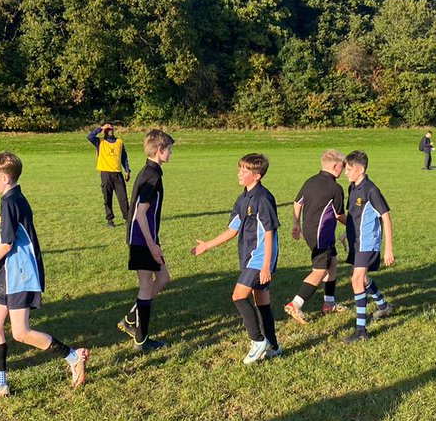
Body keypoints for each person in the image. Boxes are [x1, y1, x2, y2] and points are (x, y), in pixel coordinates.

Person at [0, 152, 88, 400]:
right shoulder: (12, 198)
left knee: (20, 332)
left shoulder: (10, 202)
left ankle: (74, 357)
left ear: (6, 177)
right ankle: (0, 386)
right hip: (8, 272)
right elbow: (11, 242)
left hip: (21, 274)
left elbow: (7, 245)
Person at [192, 153, 280, 364]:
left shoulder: (263, 198)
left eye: (245, 170)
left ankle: (258, 341)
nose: (239, 173)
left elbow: (269, 233)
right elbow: (233, 230)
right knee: (262, 302)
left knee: (238, 296)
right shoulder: (243, 198)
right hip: (249, 256)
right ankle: (274, 346)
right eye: (240, 168)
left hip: (260, 257)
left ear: (257, 176)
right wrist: (207, 245)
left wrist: (266, 265)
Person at [118, 129, 175, 351]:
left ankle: (131, 319)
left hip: (147, 237)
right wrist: (152, 246)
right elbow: (140, 214)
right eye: (169, 149)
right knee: (146, 286)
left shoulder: (150, 172)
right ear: (160, 151)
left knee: (163, 278)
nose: (170, 153)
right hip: (142, 239)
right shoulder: (151, 175)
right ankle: (141, 340)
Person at [284, 150, 347, 325]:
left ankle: (329, 303)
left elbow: (297, 202)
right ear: (335, 166)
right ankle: (296, 304)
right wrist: (356, 224)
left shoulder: (310, 181)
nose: (343, 170)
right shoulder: (335, 188)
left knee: (332, 262)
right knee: (320, 270)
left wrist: (296, 223)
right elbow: (339, 215)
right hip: (322, 234)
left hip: (311, 231)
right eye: (342, 167)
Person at [343, 151, 395, 341]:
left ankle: (361, 331)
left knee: (356, 280)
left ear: (361, 169)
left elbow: (386, 218)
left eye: (349, 169)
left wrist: (388, 248)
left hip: (368, 242)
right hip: (356, 241)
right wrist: (345, 233)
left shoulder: (371, 190)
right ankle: (383, 306)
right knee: (363, 279)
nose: (346, 173)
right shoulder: (352, 188)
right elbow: (355, 215)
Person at [87, 123, 130, 227]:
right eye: (108, 129)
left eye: (111, 129)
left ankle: (128, 218)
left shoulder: (119, 142)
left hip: (117, 173)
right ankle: (110, 220)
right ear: (105, 131)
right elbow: (90, 136)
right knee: (107, 197)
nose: (110, 131)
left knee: (123, 197)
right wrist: (101, 128)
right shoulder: (99, 142)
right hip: (105, 173)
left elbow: (124, 157)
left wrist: (127, 170)